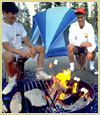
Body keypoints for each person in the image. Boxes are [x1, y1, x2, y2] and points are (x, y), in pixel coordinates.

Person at [2, 2, 52, 95]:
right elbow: (6, 46)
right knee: (6, 55)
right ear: (5, 12)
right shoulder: (2, 27)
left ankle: (39, 72)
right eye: (12, 13)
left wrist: (31, 47)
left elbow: (26, 39)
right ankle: (12, 80)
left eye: (16, 13)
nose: (15, 16)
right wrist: (21, 52)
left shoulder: (19, 26)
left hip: (21, 49)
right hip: (12, 51)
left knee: (41, 48)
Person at [67, 8, 98, 76]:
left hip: (86, 48)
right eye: (78, 17)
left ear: (85, 17)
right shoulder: (73, 26)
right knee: (69, 47)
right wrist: (81, 43)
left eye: (81, 17)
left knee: (94, 49)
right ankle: (71, 67)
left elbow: (91, 41)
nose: (80, 19)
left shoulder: (89, 26)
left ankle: (92, 67)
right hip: (77, 47)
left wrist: (89, 51)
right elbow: (71, 40)